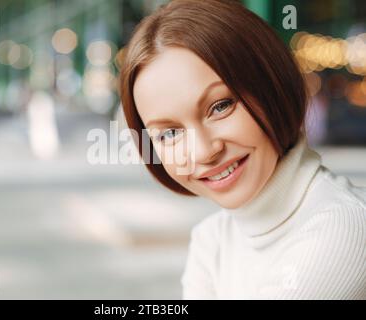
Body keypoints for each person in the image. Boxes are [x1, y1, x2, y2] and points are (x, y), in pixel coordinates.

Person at [118, 0, 366, 299]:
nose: (202, 152)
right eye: (169, 133)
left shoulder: (345, 228)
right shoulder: (212, 239)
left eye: (220, 106)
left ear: (272, 86)